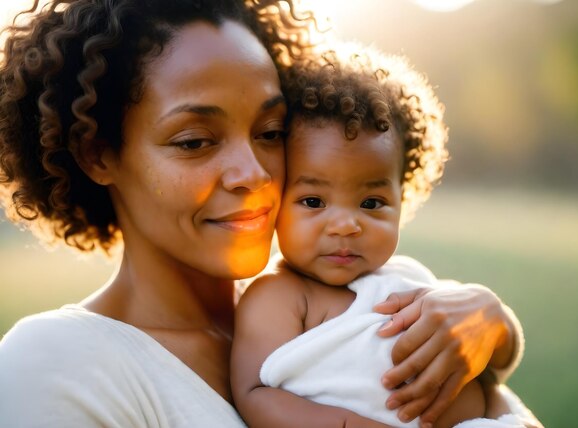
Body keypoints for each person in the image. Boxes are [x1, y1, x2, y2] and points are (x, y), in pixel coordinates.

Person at [0, 0, 527, 426]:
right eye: (194, 141)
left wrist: (492, 325)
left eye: (271, 133)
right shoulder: (52, 361)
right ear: (98, 154)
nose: (252, 172)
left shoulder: (350, 304)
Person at [231, 45, 542, 427]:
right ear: (276, 199)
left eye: (372, 202)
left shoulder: (407, 278)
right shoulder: (279, 296)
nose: (346, 224)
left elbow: (489, 350)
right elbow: (255, 394)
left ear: (402, 197)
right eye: (313, 200)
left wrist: (499, 325)